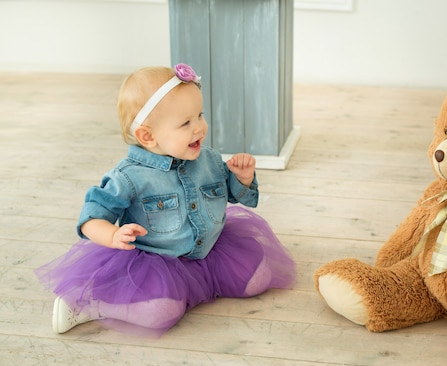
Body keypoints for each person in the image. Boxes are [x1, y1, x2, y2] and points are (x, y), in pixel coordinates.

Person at [36, 63, 296, 337]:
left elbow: (232, 194)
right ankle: (92, 304)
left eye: (200, 115)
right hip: (155, 260)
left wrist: (242, 178)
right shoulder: (129, 177)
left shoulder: (206, 159)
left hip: (208, 250)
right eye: (186, 123)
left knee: (258, 279)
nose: (199, 128)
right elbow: (91, 218)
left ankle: (191, 289)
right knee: (161, 312)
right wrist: (113, 235)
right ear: (148, 136)